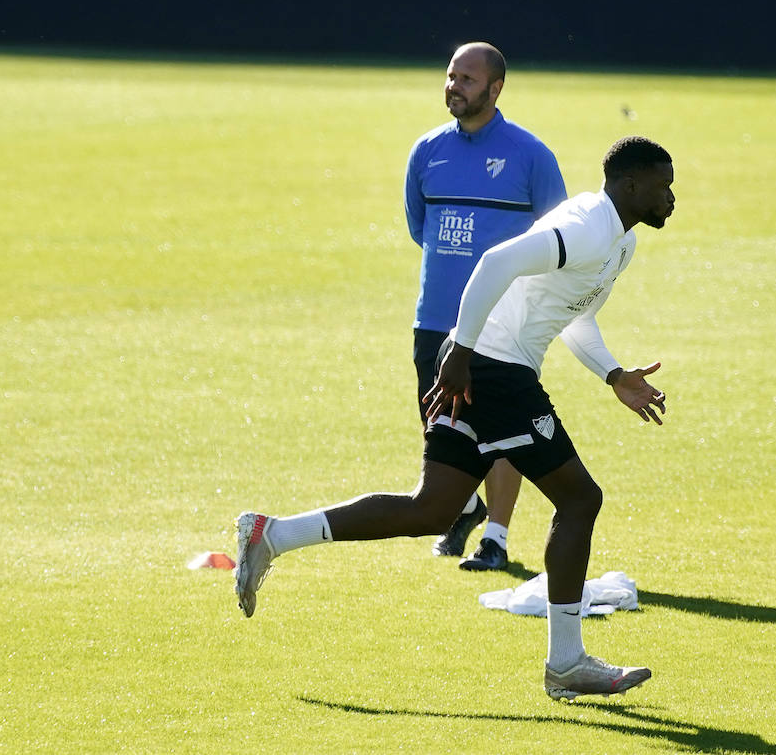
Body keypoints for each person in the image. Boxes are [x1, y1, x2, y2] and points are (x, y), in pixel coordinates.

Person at [233, 136, 675, 699]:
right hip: (493, 369)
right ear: (631, 184)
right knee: (580, 498)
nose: (671, 197)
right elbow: (498, 260)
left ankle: (271, 535)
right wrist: (461, 352)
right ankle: (566, 663)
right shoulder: (589, 225)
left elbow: (574, 319)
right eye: (663, 185)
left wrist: (615, 375)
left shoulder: (619, 244)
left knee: (433, 509)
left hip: (485, 363)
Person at [404, 41, 568, 571]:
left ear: (496, 88)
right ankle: (464, 504)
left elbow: (557, 238)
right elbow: (418, 228)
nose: (454, 86)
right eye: (451, 76)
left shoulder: (530, 155)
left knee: (502, 430)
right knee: (442, 428)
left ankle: (494, 537)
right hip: (435, 320)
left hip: (502, 327)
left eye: (467, 79)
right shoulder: (426, 152)